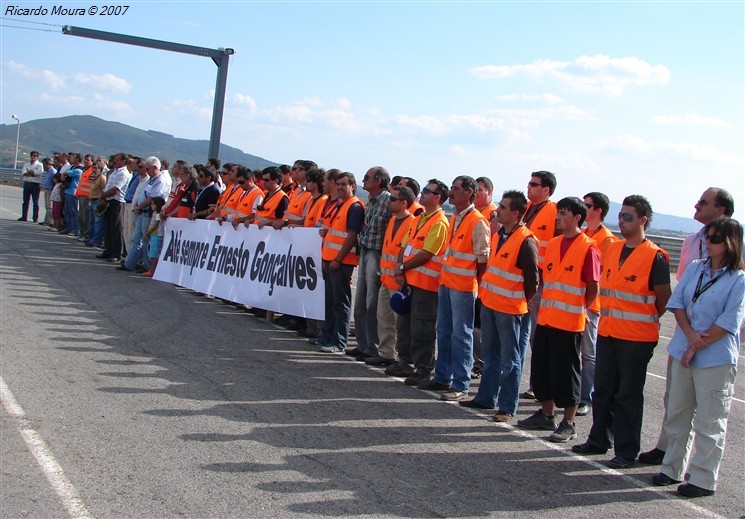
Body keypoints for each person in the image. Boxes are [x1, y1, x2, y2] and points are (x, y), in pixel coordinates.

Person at [572, 195, 671, 469]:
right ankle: (598, 439)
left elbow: (663, 299)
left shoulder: (655, 257)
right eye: (620, 216)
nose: (622, 221)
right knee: (603, 389)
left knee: (628, 395)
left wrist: (645, 319)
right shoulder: (613, 249)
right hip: (609, 331)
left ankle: (626, 451)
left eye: (628, 217)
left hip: (637, 338)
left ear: (643, 220)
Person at [638, 187, 735, 466]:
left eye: (703, 203)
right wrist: (689, 333)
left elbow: (732, 303)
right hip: (686, 332)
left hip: (714, 339)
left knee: (709, 411)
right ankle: (667, 449)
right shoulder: (692, 241)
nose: (696, 205)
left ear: (721, 210)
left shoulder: (736, 249)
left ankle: (702, 470)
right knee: (676, 399)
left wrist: (702, 337)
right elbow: (681, 292)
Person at [651, 217, 744, 498]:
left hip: (714, 357)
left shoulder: (739, 279)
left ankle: (703, 478)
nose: (708, 242)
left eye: (715, 238)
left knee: (709, 419)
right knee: (678, 411)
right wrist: (690, 337)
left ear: (730, 243)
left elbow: (730, 321)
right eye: (707, 237)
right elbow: (677, 303)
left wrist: (696, 343)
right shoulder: (695, 268)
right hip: (684, 348)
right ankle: (671, 468)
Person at [517, 197, 600, 442]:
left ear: (577, 217)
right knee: (544, 367)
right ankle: (546, 414)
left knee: (567, 372)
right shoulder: (553, 243)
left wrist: (580, 308)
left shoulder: (589, 247)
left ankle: (568, 422)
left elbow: (593, 286)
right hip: (547, 318)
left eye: (563, 213)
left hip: (570, 322)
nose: (558, 217)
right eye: (558, 213)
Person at [460, 190, 539, 422]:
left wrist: (520, 302)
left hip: (510, 309)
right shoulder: (499, 235)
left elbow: (532, 280)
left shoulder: (526, 240)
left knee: (510, 359)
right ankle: (486, 397)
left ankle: (507, 406)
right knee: (491, 354)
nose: (497, 211)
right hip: (491, 304)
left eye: (503, 208)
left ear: (515, 213)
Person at [422, 176, 490, 401]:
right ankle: (443, 377)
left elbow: (483, 261)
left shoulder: (478, 221)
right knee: (444, 331)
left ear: (469, 192)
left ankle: (460, 383)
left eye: (456, 189)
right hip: (447, 283)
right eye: (451, 188)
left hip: (462, 287)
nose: (451, 192)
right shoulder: (457, 218)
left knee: (461, 334)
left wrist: (476, 287)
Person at [387, 180, 449, 385]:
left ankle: (423, 368)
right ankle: (404, 361)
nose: (422, 194)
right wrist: (399, 268)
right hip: (409, 281)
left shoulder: (439, 222)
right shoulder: (419, 218)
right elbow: (405, 246)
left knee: (422, 328)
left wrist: (402, 268)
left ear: (437, 197)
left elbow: (427, 253)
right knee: (404, 325)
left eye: (427, 191)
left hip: (426, 285)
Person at [576, 192, 618, 417]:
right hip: (575, 301)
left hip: (591, 304)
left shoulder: (607, 240)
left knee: (588, 353)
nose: (583, 208)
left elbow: (600, 274)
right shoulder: (584, 233)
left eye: (587, 205)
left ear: (598, 210)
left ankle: (586, 397)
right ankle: (575, 394)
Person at [521, 170, 559, 400]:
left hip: (541, 282)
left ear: (546, 190)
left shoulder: (554, 213)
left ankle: (539, 386)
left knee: (537, 337)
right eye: (529, 183)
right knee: (523, 335)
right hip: (521, 281)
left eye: (534, 184)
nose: (529, 187)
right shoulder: (526, 208)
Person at [347, 166, 391, 362]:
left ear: (379, 180)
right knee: (361, 302)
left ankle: (372, 347)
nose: (364, 181)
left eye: (367, 177)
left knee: (371, 303)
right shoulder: (371, 202)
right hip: (365, 251)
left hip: (377, 254)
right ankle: (363, 344)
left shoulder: (388, 201)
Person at [318, 172, 364, 353]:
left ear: (352, 186)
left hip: (340, 262)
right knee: (330, 301)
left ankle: (339, 341)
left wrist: (337, 259)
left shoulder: (354, 207)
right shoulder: (340, 204)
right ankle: (328, 336)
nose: (339, 187)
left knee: (340, 303)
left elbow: (351, 236)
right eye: (338, 184)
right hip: (330, 259)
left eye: (344, 184)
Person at [369, 184, 416, 366]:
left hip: (398, 281)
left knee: (401, 323)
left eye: (393, 199)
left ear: (404, 203)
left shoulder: (411, 222)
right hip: (386, 279)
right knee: (384, 318)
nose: (389, 201)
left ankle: (401, 356)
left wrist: (401, 272)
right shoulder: (392, 220)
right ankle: (386, 353)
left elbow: (407, 252)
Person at [121, 157, 171, 272]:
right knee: (136, 238)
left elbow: (152, 197)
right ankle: (130, 263)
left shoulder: (160, 181)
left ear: (155, 168)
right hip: (142, 212)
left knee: (146, 239)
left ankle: (146, 264)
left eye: (147, 169)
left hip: (148, 213)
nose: (146, 171)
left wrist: (140, 206)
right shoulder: (151, 179)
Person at [97, 153, 132, 262]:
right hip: (108, 200)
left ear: (123, 161)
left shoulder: (124, 173)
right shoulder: (114, 172)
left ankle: (117, 253)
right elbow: (108, 186)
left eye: (117, 160)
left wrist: (103, 195)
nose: (115, 161)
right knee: (107, 227)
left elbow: (116, 189)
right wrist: (103, 197)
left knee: (116, 228)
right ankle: (108, 250)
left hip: (116, 201)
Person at [142, 196, 167, 278]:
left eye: (153, 204)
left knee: (154, 254)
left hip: (157, 236)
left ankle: (152, 271)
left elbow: (155, 226)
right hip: (153, 235)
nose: (151, 206)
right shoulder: (155, 213)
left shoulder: (159, 215)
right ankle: (152, 270)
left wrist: (147, 233)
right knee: (152, 253)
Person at [84, 162, 107, 248]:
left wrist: (102, 199)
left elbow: (103, 190)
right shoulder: (95, 178)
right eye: (93, 168)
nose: (94, 170)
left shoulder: (102, 178)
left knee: (98, 222)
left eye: (96, 168)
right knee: (92, 221)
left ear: (100, 169)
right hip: (92, 200)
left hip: (98, 201)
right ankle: (92, 238)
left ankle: (97, 240)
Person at [60, 153, 82, 236]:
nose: (71, 159)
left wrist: (64, 174)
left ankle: (75, 229)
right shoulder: (72, 168)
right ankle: (68, 227)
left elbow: (66, 173)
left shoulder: (78, 170)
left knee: (73, 211)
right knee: (67, 211)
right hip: (67, 191)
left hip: (73, 192)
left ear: (77, 159)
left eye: (73, 158)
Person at [74, 154, 94, 242]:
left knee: (85, 216)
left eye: (88, 160)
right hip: (81, 195)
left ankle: (86, 234)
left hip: (87, 196)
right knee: (80, 216)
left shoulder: (92, 171)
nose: (86, 161)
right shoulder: (85, 171)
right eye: (85, 159)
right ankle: (81, 233)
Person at [18, 151, 43, 222]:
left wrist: (31, 173)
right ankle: (24, 216)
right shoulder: (26, 164)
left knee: (35, 202)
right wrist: (32, 173)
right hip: (27, 183)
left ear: (37, 157)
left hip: (35, 184)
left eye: (35, 156)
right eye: (32, 155)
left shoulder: (39, 165)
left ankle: (35, 218)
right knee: (25, 201)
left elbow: (38, 173)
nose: (33, 157)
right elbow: (24, 173)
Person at [40, 157, 57, 226]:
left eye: (44, 164)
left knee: (50, 206)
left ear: (48, 164)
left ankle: (50, 221)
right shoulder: (47, 171)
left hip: (50, 189)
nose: (43, 166)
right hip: (46, 189)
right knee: (47, 206)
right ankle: (46, 220)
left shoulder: (53, 171)